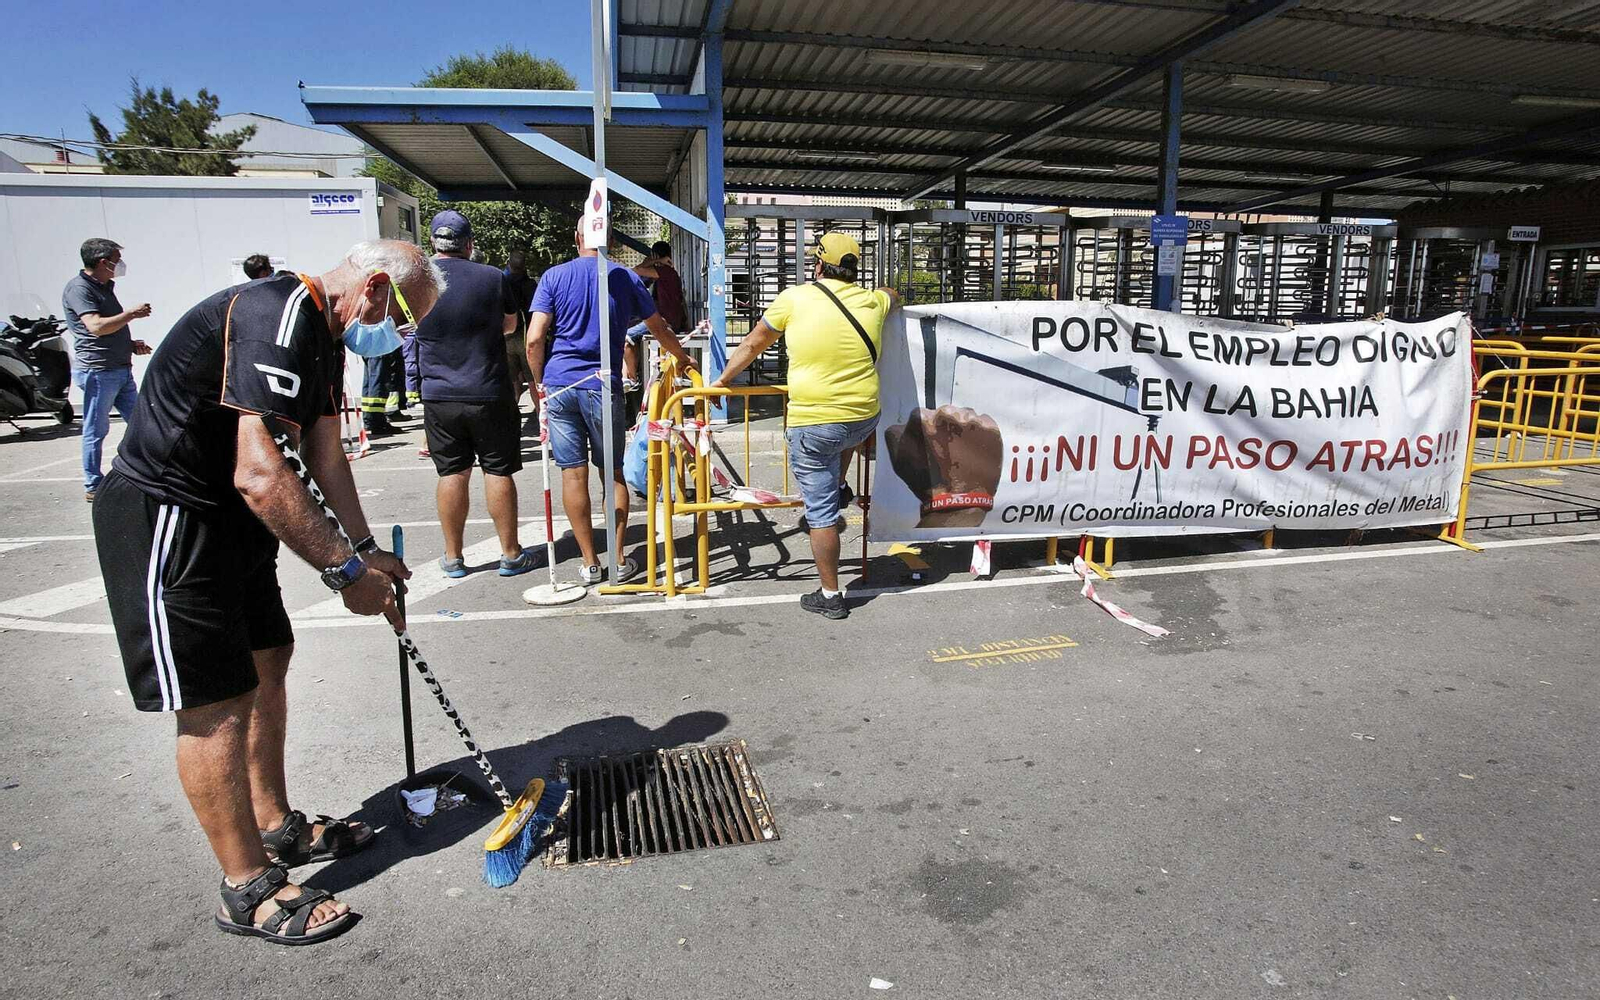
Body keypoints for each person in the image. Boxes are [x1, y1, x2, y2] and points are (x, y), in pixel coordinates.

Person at [92, 239, 443, 944]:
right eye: (405, 319)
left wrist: (365, 550)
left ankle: (275, 824)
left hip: (235, 519)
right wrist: (345, 575)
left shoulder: (327, 341)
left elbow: (325, 454)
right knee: (214, 703)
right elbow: (258, 472)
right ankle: (246, 886)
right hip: (172, 514)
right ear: (376, 287)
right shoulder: (273, 314)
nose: (401, 337)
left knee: (267, 660)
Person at [712, 232, 899, 620]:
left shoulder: (793, 299)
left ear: (817, 265)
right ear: (854, 269)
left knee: (821, 516)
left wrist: (722, 381)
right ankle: (840, 485)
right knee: (845, 434)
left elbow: (752, 345)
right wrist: (884, 292)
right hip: (864, 416)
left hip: (814, 422)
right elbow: (892, 294)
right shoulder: (872, 302)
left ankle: (830, 595)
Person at [529, 225, 696, 584]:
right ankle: (618, 559)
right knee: (613, 473)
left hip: (560, 384)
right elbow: (659, 328)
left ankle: (590, 562)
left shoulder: (554, 276)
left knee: (573, 474)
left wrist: (541, 383)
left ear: (577, 238)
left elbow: (534, 338)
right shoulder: (624, 277)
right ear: (611, 242)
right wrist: (683, 358)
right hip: (603, 385)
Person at [416, 210, 535, 578]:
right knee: (498, 470)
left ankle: (453, 557)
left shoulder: (417, 280)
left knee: (452, 471)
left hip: (439, 393)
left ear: (433, 242)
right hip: (488, 388)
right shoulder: (492, 277)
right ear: (469, 244)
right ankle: (510, 553)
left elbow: (407, 325)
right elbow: (510, 325)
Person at [62, 238, 152, 502]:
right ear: (103, 262)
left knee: (141, 423)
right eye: (116, 259)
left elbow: (108, 328)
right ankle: (93, 484)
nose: (120, 264)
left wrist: (130, 345)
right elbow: (96, 327)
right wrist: (131, 314)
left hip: (119, 368)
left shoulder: (104, 287)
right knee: (96, 429)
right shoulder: (79, 289)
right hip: (99, 371)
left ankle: (147, 472)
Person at [625, 239, 688, 386]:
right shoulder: (666, 273)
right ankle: (632, 375)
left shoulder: (664, 271)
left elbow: (635, 270)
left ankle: (632, 380)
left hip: (664, 321)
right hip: (669, 319)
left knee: (627, 338)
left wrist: (654, 261)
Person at [502, 249, 538, 407]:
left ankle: (511, 413)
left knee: (512, 380)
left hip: (506, 337)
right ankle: (540, 414)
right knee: (533, 380)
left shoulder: (502, 283)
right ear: (524, 267)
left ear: (508, 264)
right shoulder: (531, 285)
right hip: (527, 337)